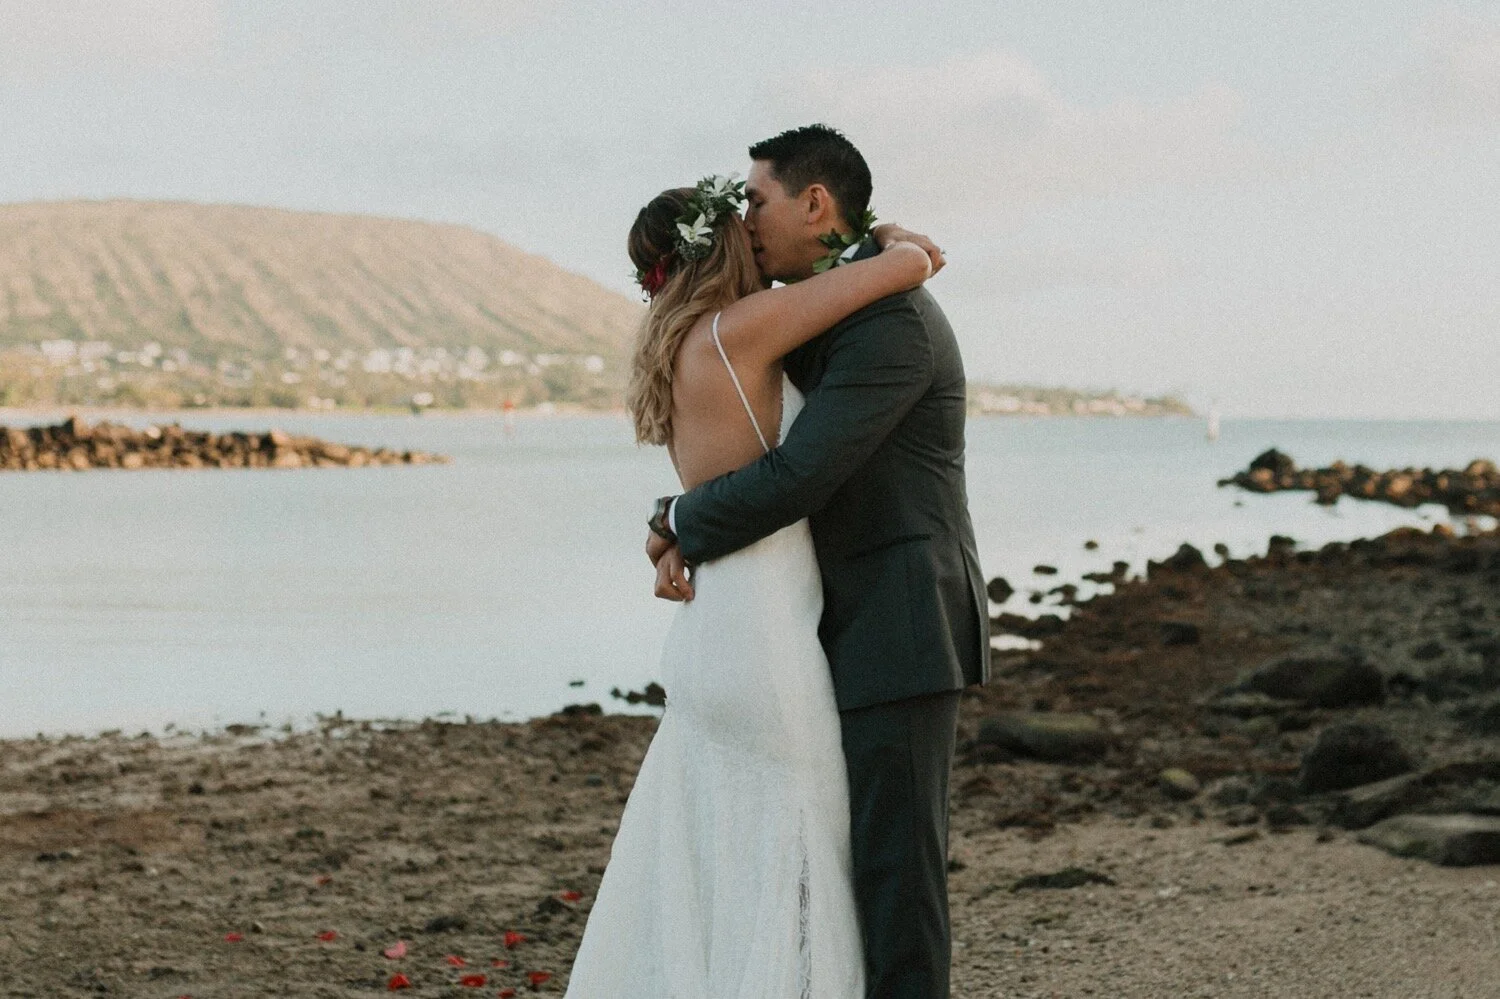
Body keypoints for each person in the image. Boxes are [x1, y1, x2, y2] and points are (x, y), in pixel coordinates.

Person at [564, 163, 941, 998]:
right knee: (801, 855)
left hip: (710, 636)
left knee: (716, 868)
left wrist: (672, 524)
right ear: (720, 246)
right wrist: (889, 235)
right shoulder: (745, 326)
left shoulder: (676, 345)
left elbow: (713, 487)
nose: (757, 234)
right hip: (768, 642)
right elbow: (910, 266)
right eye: (745, 225)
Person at [648, 125, 989, 999]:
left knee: (895, 879)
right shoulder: (829, 305)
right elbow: (752, 433)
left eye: (755, 201)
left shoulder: (892, 324)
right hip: (821, 623)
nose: (744, 220)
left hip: (900, 624)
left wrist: (679, 518)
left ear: (814, 203)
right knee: (838, 865)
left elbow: (800, 474)